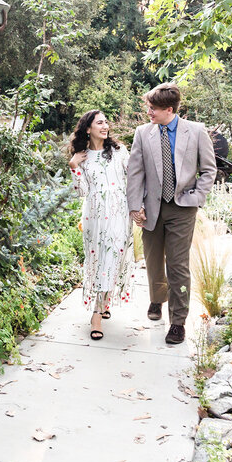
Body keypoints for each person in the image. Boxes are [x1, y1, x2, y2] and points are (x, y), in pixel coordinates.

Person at [126, 83, 216, 345]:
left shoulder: (196, 131)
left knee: (177, 265)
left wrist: (197, 197)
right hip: (152, 207)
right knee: (153, 260)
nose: (148, 113)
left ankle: (178, 321)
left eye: (152, 109)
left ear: (169, 109)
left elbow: (209, 170)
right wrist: (135, 205)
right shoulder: (143, 133)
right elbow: (135, 172)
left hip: (182, 207)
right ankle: (157, 298)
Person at [69, 110, 132, 341]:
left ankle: (97, 313)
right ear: (88, 128)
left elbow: (134, 179)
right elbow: (82, 192)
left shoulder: (119, 152)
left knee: (112, 258)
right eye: (99, 123)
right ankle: (102, 303)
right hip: (94, 216)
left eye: (106, 122)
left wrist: (139, 207)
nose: (105, 126)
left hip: (118, 213)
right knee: (98, 261)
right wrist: (74, 166)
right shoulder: (82, 157)